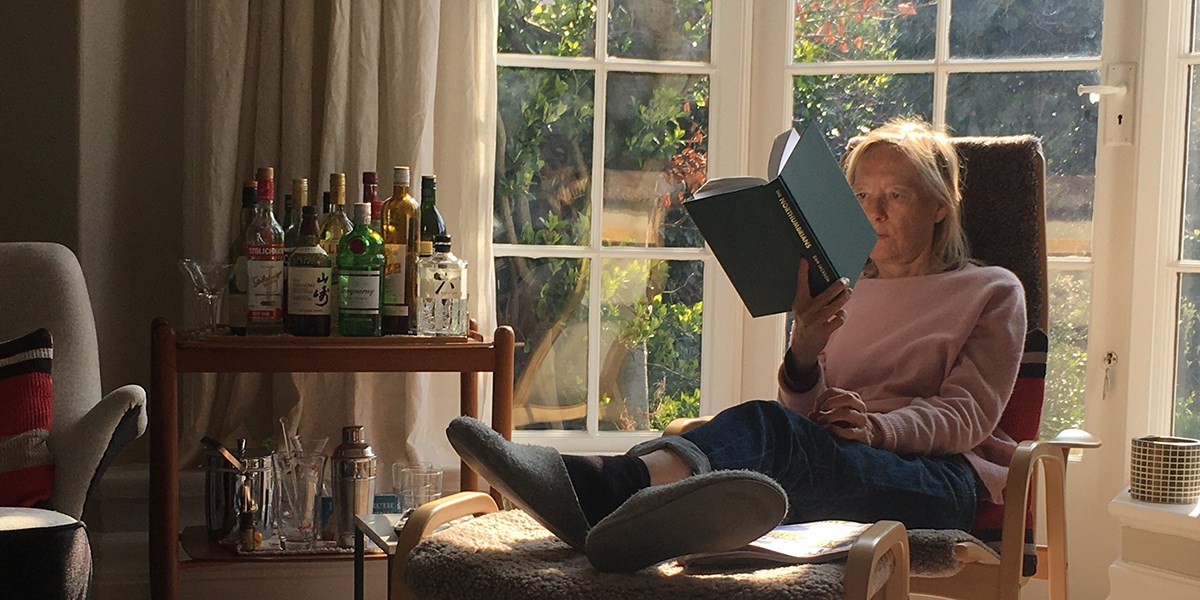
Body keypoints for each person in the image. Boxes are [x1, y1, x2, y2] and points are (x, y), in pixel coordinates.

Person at [448, 118, 1026, 573]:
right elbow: (806, 413)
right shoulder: (843, 285)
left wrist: (879, 429)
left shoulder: (990, 291)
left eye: (896, 195)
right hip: (840, 459)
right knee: (744, 440)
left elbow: (967, 417)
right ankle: (620, 508)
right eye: (862, 194)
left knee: (770, 432)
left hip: (943, 482)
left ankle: (603, 489)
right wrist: (804, 350)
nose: (873, 211)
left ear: (941, 205)